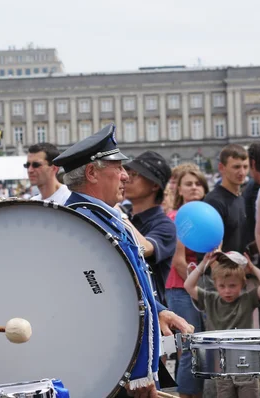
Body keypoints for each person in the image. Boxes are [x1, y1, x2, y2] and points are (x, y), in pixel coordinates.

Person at [54, 124, 193, 398]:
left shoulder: (100, 218)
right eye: (117, 166)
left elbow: (125, 287)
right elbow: (98, 299)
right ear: (92, 172)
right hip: (109, 370)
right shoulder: (82, 224)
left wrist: (158, 310)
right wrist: (129, 372)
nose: (126, 176)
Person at [184, 251, 260, 398]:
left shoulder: (247, 299)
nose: (227, 291)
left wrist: (251, 267)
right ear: (215, 284)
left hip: (246, 365)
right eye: (222, 286)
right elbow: (188, 285)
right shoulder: (211, 299)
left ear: (243, 284)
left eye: (233, 285)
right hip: (222, 365)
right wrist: (204, 263)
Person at [165, 166, 209, 398]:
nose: (194, 188)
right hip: (182, 288)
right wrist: (198, 293)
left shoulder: (204, 214)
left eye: (198, 183)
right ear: (179, 189)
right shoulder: (177, 217)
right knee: (190, 349)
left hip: (199, 288)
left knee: (200, 350)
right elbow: (179, 262)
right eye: (189, 184)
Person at [122, 151, 176, 305]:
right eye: (128, 173)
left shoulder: (165, 225)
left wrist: (118, 214)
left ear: (154, 185)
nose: (127, 178)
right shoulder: (129, 218)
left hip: (151, 312)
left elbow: (143, 248)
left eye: (135, 175)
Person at [204, 144, 249, 254]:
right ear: (221, 168)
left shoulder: (241, 198)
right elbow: (208, 247)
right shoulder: (214, 201)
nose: (242, 172)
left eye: (245, 167)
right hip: (221, 269)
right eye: (236, 167)